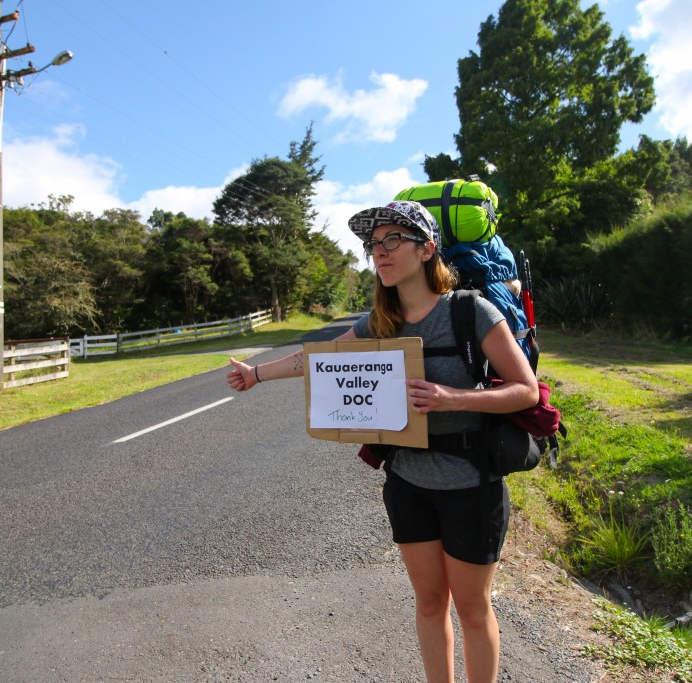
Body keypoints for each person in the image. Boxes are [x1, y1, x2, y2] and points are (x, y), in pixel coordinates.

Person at [226, 200, 539, 683]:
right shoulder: (380, 323)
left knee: (473, 610)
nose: (380, 252)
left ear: (427, 248)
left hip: (471, 482)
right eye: (374, 244)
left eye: (394, 240)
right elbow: (321, 358)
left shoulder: (471, 312)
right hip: (408, 482)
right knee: (430, 602)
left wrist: (452, 398)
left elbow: (526, 390)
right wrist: (256, 374)